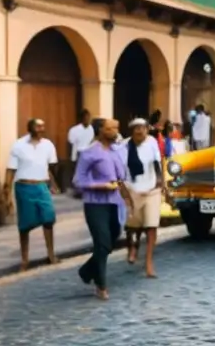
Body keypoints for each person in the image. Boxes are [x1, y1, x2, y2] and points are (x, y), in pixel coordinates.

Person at [74, 118, 130, 300]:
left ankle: (86, 271)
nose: (115, 131)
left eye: (117, 128)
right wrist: (100, 185)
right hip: (95, 204)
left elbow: (121, 176)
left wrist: (128, 198)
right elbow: (77, 181)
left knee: (112, 238)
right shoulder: (89, 153)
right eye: (110, 128)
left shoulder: (117, 151)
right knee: (102, 242)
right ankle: (101, 285)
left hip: (115, 202)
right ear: (100, 131)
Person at [3, 118, 59, 271]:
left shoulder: (48, 145)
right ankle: (24, 259)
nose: (42, 128)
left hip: (42, 186)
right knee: (25, 225)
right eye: (38, 126)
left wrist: (53, 184)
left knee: (48, 218)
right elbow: (10, 169)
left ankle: (51, 254)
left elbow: (49, 167)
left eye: (43, 126)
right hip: (24, 187)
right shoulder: (18, 145)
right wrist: (6, 191)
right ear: (30, 128)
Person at [120, 118, 163, 278]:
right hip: (132, 189)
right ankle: (133, 246)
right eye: (136, 129)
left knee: (151, 226)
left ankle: (149, 264)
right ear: (132, 131)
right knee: (133, 226)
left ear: (147, 129)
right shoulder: (123, 146)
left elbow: (157, 162)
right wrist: (123, 190)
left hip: (152, 189)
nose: (140, 131)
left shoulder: (152, 142)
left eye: (143, 128)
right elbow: (119, 170)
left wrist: (161, 181)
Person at [65, 109, 93, 192]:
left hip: (90, 153)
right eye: (85, 118)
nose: (87, 119)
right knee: (79, 173)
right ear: (81, 119)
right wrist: (72, 157)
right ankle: (79, 190)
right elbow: (71, 143)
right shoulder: (74, 130)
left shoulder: (92, 129)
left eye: (88, 117)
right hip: (79, 153)